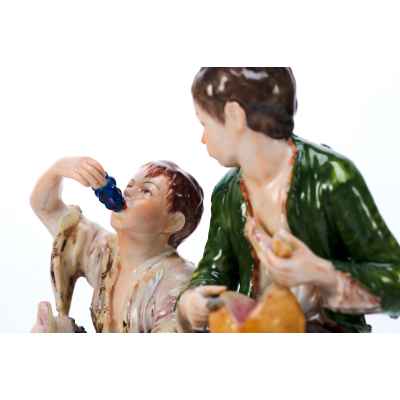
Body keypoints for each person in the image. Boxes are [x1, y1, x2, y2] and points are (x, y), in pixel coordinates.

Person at [177, 67, 400, 333]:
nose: (203, 139)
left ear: (234, 115)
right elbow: (214, 269)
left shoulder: (330, 177)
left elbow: (394, 279)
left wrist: (321, 273)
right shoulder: (227, 192)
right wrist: (192, 302)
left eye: (204, 124)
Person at [30, 157, 203, 332]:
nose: (127, 192)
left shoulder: (180, 287)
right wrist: (59, 169)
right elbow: (46, 208)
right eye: (130, 185)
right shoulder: (106, 253)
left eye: (146, 191)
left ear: (173, 222)